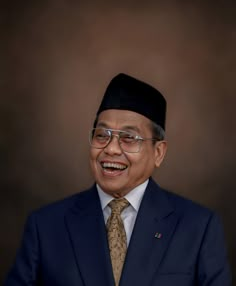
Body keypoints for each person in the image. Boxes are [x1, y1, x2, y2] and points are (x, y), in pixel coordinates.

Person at [5, 73, 231, 285]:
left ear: (158, 152)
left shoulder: (198, 227)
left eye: (129, 138)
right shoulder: (45, 226)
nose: (111, 149)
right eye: (102, 135)